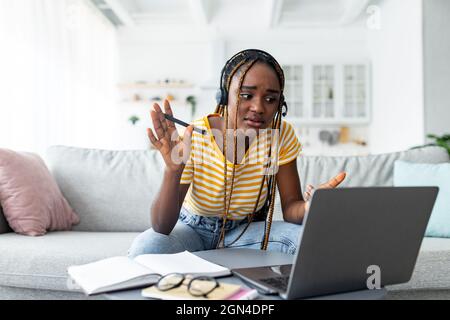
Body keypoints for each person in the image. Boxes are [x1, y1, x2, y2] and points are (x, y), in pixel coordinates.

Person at [128, 49, 346, 257]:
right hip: (193, 229)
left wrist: (309, 207)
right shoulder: (194, 135)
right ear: (224, 96)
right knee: (147, 248)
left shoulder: (280, 134)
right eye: (246, 95)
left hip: (244, 232)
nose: (259, 107)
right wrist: (173, 170)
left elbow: (291, 208)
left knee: (311, 240)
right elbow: (161, 226)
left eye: (270, 99)